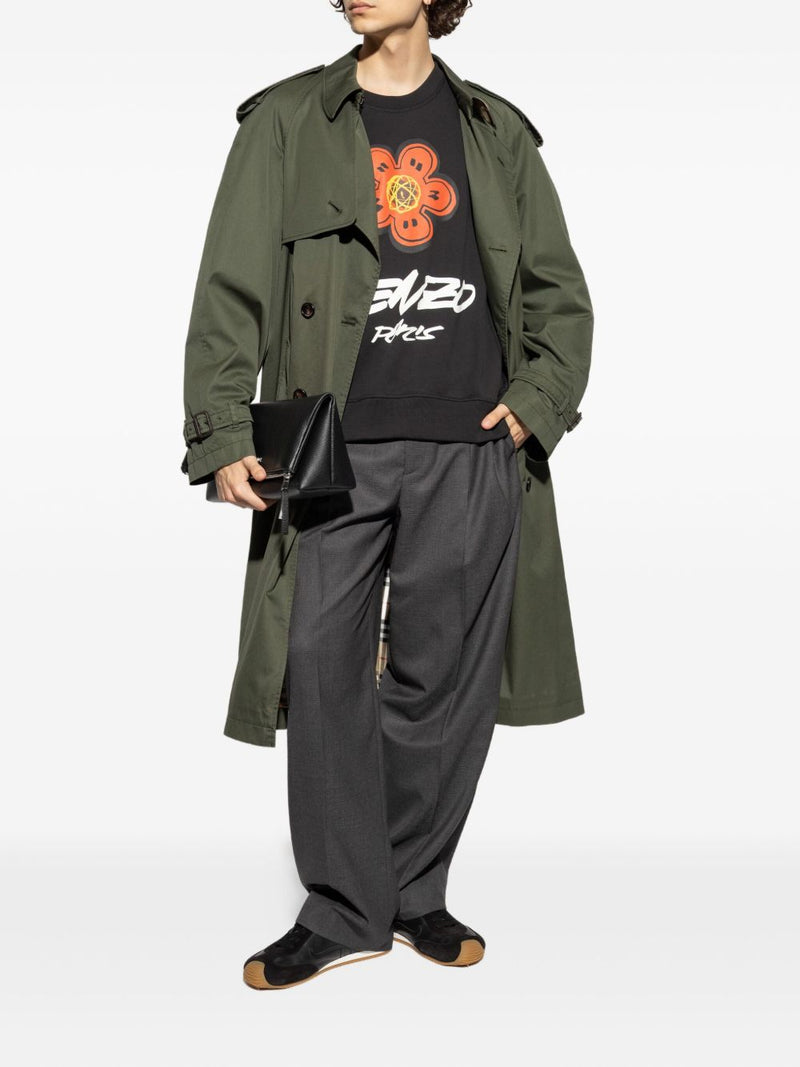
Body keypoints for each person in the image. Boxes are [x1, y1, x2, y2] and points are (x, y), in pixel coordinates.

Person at [181, 0, 593, 991]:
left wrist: (535, 402)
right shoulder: (285, 122)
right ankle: (340, 908)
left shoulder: (494, 131)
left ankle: (410, 891)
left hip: (471, 442)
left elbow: (558, 294)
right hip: (329, 444)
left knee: (440, 679)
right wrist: (222, 430)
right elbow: (229, 286)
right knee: (320, 664)